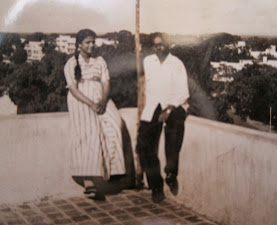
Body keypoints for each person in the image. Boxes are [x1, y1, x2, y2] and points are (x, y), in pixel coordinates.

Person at [64, 29, 126, 200]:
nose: (91, 45)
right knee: (88, 133)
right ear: (79, 45)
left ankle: (113, 170)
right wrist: (90, 104)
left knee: (115, 123)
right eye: (87, 42)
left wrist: (104, 100)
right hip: (81, 100)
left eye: (93, 42)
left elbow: (106, 82)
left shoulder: (99, 61)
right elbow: (73, 89)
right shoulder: (71, 63)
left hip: (100, 98)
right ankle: (88, 181)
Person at [136, 32, 190, 203]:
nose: (158, 48)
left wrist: (169, 108)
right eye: (155, 45)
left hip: (174, 105)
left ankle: (171, 172)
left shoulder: (176, 63)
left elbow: (184, 92)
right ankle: (156, 186)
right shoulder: (148, 62)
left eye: (161, 44)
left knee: (173, 137)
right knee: (143, 145)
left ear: (168, 45)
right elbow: (147, 87)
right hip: (153, 106)